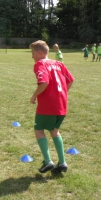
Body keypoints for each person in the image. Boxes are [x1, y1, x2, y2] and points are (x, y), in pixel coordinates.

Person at [29, 40, 74, 174]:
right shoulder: (59, 64)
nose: (32, 57)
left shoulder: (39, 64)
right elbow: (71, 80)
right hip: (61, 104)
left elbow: (43, 83)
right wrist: (62, 94)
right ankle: (62, 163)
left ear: (40, 53)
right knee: (54, 131)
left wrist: (33, 96)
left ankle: (48, 161)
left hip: (48, 105)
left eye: (33, 53)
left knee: (39, 130)